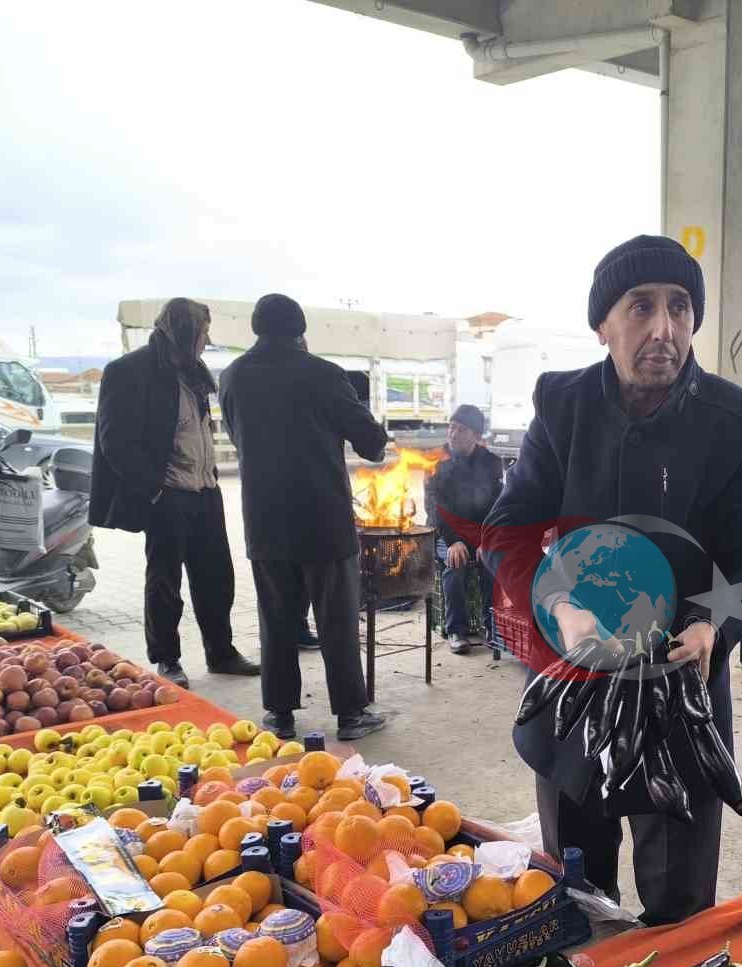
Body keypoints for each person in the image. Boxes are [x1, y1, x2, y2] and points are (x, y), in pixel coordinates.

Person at [482, 234, 742, 926]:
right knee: (577, 898)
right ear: (603, 324)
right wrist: (558, 606)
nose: (664, 328)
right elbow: (508, 529)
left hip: (680, 688)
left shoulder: (736, 426)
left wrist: (713, 623)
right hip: (573, 682)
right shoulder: (563, 407)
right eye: (641, 306)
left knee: (680, 909)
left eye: (680, 307)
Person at [219, 294, 391, 742]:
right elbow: (372, 444)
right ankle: (351, 715)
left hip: (265, 518)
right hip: (322, 520)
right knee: (336, 620)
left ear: (257, 328)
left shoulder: (232, 376)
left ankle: (279, 715)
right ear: (301, 331)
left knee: (276, 619)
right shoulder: (323, 374)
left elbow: (238, 437)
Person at [89, 297, 259, 689]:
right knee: (165, 583)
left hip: (205, 491)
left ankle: (221, 652)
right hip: (167, 495)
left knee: (216, 578)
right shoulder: (129, 371)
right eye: (203, 332)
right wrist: (154, 490)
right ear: (184, 332)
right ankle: (167, 659)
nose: (206, 341)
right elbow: (115, 441)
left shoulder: (193, 372)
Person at [427, 404, 504, 653]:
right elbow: (434, 507)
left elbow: (497, 506)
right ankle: (456, 630)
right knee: (456, 564)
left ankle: (492, 627)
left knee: (492, 561)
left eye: (461, 429)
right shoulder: (436, 461)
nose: (453, 434)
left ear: (476, 436)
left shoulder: (491, 462)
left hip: (480, 533)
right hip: (447, 533)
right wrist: (453, 541)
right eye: (451, 427)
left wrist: (486, 539)